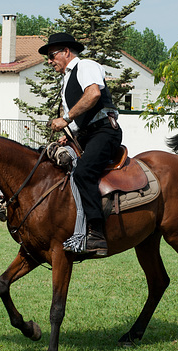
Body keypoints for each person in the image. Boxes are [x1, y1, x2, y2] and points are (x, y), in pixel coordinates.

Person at [39, 33, 122, 255]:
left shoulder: (85, 65)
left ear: (67, 52)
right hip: (87, 135)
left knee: (83, 173)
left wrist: (66, 119)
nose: (49, 61)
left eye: (51, 55)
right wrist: (70, 133)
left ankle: (96, 234)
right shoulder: (66, 78)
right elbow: (81, 114)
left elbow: (93, 94)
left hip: (105, 132)